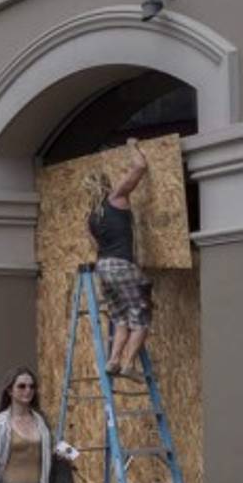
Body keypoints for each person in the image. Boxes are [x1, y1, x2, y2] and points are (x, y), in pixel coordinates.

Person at [83, 137, 151, 375]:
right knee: (140, 319)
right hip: (122, 266)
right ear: (106, 185)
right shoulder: (116, 198)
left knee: (120, 318)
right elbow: (140, 167)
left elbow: (95, 246)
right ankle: (129, 364)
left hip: (103, 269)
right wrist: (132, 145)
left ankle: (113, 361)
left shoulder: (90, 218)